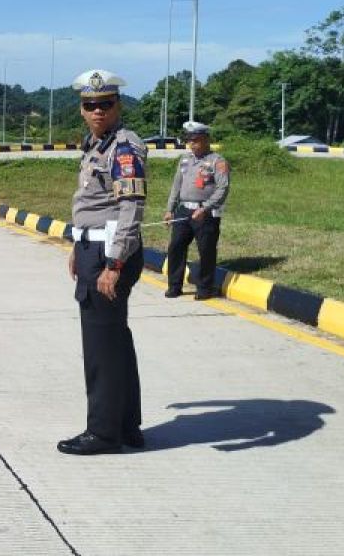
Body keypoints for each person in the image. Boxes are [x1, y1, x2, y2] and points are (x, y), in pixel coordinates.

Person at [58, 70, 145, 456]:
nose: (97, 111)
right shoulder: (96, 145)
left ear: (117, 106)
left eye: (105, 104)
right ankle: (126, 426)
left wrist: (114, 263)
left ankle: (104, 433)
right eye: (90, 105)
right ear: (81, 109)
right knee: (116, 342)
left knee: (101, 346)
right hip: (95, 248)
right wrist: (78, 245)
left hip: (111, 253)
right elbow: (92, 205)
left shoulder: (124, 147)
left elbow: (130, 206)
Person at [164, 121, 230, 300]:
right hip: (184, 210)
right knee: (176, 247)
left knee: (206, 250)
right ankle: (174, 286)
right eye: (189, 140)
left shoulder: (217, 161)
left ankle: (204, 288)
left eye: (196, 140)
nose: (192, 144)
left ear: (206, 139)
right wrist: (170, 209)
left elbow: (222, 188)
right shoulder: (185, 159)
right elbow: (177, 185)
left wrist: (206, 207)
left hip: (205, 213)